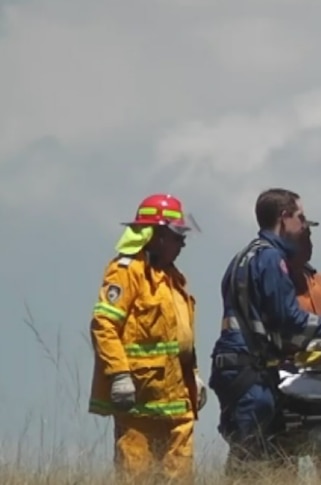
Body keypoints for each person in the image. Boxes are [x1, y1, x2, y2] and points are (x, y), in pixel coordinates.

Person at [208, 188, 321, 475]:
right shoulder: (271, 260)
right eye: (301, 218)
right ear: (284, 217)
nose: (303, 226)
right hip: (249, 371)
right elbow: (288, 319)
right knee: (253, 460)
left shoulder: (244, 257)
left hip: (239, 368)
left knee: (259, 457)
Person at [88, 194, 205, 483]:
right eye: (177, 236)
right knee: (135, 473)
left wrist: (195, 375)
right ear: (156, 236)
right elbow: (103, 323)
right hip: (139, 399)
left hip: (178, 400)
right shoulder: (127, 272)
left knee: (180, 476)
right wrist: (119, 375)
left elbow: (180, 334)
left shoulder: (173, 277)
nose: (183, 243)